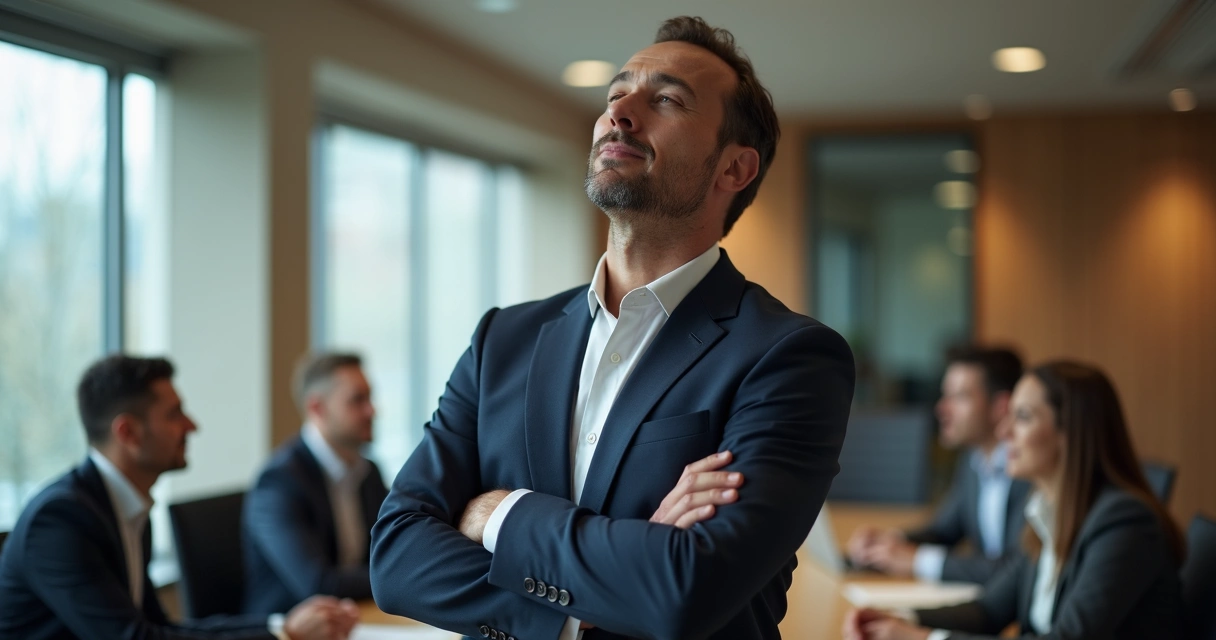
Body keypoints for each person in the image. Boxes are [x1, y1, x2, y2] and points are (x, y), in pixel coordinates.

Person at [368, 15, 855, 640]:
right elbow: (397, 557)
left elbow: (686, 589)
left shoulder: (790, 357)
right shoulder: (502, 341)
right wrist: (610, 582)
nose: (619, 112)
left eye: (667, 100)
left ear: (734, 169)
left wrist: (499, 514)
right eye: (616, 94)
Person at [0, 355, 359, 640]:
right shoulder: (61, 519)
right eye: (174, 415)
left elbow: (158, 627)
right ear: (128, 432)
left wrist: (279, 627)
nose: (192, 426)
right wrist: (284, 633)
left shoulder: (124, 508)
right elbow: (134, 638)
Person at [844, 361, 1185, 640]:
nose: (1004, 431)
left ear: (1070, 433)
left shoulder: (1124, 522)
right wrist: (899, 618)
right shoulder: (1047, 513)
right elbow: (989, 611)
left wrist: (922, 638)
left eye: (1022, 417)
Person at [848, 347, 1030, 584]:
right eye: (946, 395)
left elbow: (1016, 569)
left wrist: (918, 562)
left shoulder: (1031, 471)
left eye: (960, 397)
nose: (942, 408)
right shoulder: (973, 460)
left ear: (1000, 406)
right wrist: (889, 542)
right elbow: (944, 530)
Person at [243, 353, 388, 614]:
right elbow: (319, 584)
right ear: (317, 408)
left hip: (359, 615)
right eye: (357, 400)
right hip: (290, 626)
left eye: (369, 397)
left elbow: (393, 545)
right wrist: (401, 575)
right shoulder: (278, 483)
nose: (372, 410)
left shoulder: (367, 472)